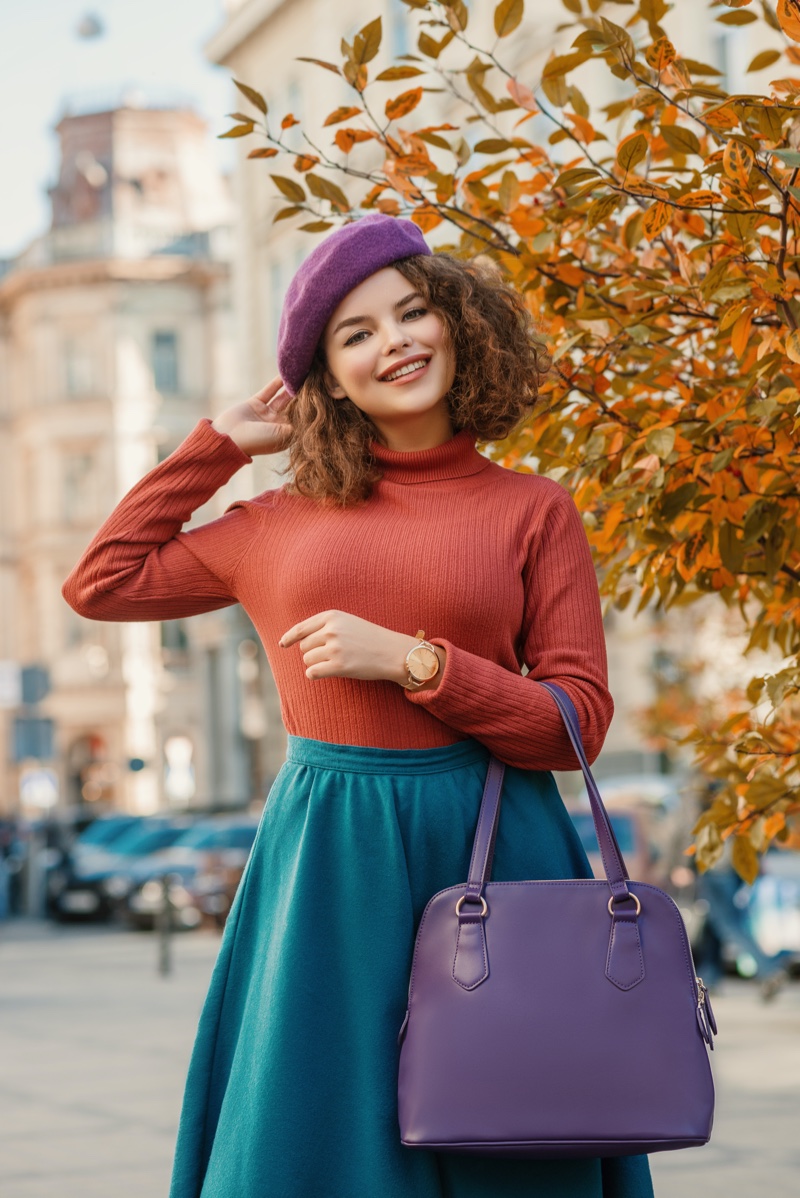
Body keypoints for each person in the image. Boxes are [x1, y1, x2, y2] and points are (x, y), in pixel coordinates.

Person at [61, 214, 653, 1197]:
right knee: (315, 1138)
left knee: (518, 1129)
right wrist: (213, 449)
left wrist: (418, 663)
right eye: (357, 334)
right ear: (327, 379)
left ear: (458, 326)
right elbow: (103, 581)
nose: (396, 343)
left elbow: (573, 725)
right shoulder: (275, 522)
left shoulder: (532, 508)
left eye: (413, 313)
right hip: (327, 859)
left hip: (496, 840)